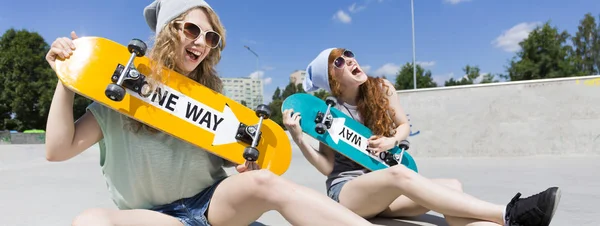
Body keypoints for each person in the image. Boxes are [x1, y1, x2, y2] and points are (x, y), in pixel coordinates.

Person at [44, 1, 377, 225]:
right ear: (167, 31)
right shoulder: (117, 92)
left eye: (211, 37)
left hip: (212, 203)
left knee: (264, 181)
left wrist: (247, 165)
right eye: (191, 30)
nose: (201, 42)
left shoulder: (213, 98)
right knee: (90, 221)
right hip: (156, 218)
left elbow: (238, 162)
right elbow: (58, 150)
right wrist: (68, 79)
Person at [282, 47, 562, 226]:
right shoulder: (331, 114)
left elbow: (403, 125)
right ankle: (511, 213)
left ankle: (500, 224)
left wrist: (392, 141)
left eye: (349, 54)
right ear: (333, 80)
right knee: (399, 176)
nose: (351, 60)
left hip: (383, 193)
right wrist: (299, 138)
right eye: (340, 62)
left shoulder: (382, 90)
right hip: (349, 193)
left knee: (452, 185)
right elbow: (328, 168)